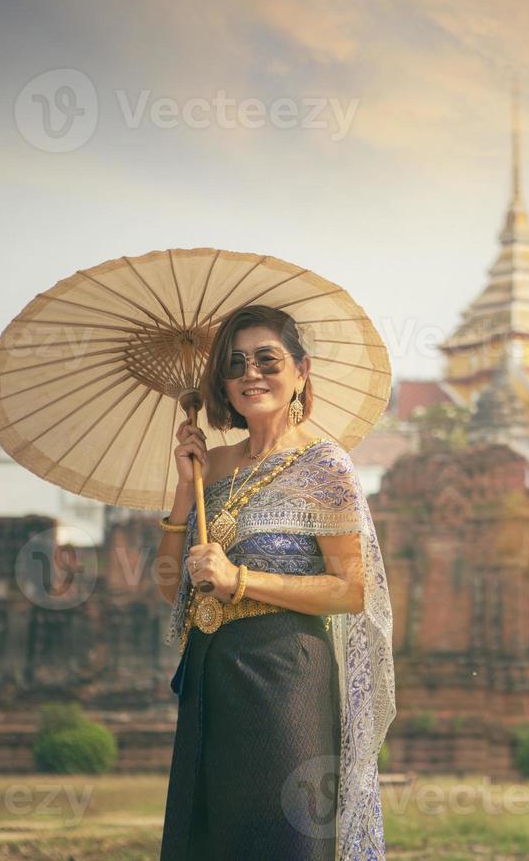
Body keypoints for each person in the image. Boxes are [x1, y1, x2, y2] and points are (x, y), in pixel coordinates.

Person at [155, 304, 395, 860]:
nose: (250, 374)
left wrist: (239, 578)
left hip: (286, 673)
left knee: (283, 840)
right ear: (222, 383)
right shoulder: (209, 466)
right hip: (212, 670)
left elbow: (350, 590)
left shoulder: (324, 466)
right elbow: (173, 587)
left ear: (301, 371)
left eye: (267, 359)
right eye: (235, 364)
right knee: (209, 840)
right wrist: (181, 493)